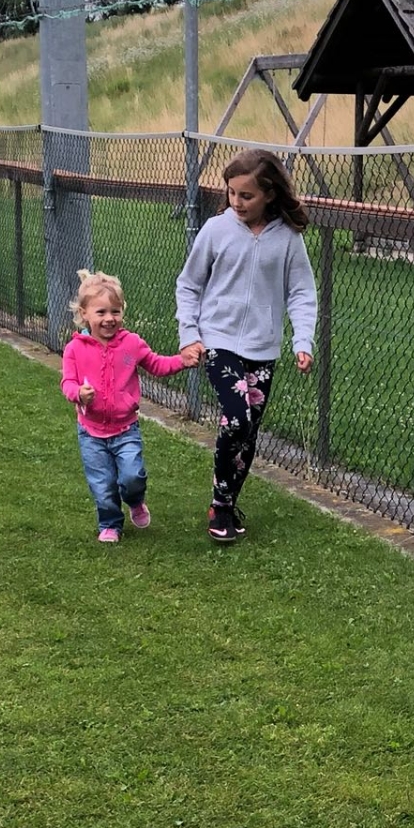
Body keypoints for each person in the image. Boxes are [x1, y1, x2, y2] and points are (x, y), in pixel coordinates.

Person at [176, 150, 318, 543]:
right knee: (236, 419)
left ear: (270, 194)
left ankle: (227, 502)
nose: (236, 202)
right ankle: (219, 506)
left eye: (246, 196)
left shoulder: (288, 239)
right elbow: (188, 284)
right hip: (218, 340)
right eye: (232, 193)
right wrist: (190, 334)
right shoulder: (216, 230)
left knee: (249, 432)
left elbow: (302, 292)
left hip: (263, 347)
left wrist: (302, 339)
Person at [60, 269, 190, 543]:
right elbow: (67, 383)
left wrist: (182, 360)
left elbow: (157, 364)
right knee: (102, 484)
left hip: (125, 429)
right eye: (101, 312)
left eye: (115, 312)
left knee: (132, 477)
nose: (109, 318)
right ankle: (110, 524)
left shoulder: (132, 344)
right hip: (91, 432)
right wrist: (78, 394)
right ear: (84, 314)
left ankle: (135, 500)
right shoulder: (75, 349)